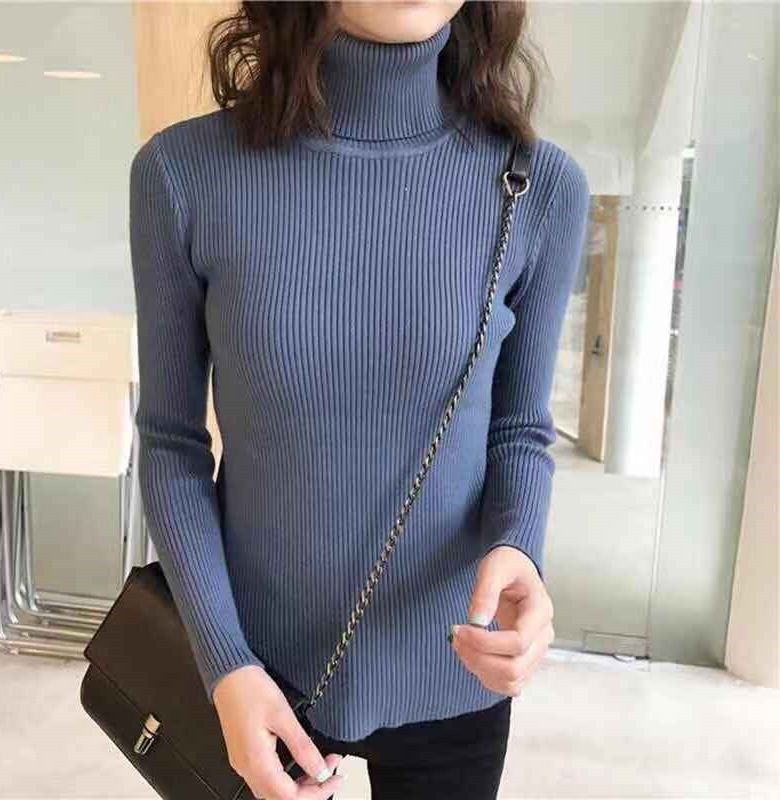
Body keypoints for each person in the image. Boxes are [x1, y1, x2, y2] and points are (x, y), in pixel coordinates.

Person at [128, 2, 590, 798]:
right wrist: (224, 662)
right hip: (255, 674)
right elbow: (171, 443)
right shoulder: (183, 174)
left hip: (455, 666)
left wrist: (520, 549)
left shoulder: (538, 186)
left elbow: (518, 428)